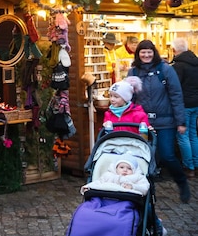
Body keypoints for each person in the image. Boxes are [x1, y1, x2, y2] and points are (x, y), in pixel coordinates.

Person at [129, 39, 190, 203]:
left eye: (149, 51)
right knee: (145, 157)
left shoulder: (166, 70)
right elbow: (130, 98)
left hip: (165, 122)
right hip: (143, 123)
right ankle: (148, 191)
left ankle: (182, 183)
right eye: (143, 52)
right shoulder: (133, 72)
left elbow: (176, 95)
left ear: (154, 52)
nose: (146, 55)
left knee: (167, 155)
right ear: (138, 53)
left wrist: (181, 121)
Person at [171, 37, 198, 178]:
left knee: (183, 136)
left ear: (174, 50)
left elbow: (174, 87)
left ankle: (189, 167)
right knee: (193, 134)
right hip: (195, 103)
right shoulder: (195, 62)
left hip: (183, 105)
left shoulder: (178, 66)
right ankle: (196, 164)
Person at [81, 157, 150, 196]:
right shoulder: (108, 175)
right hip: (104, 196)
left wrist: (133, 187)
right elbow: (98, 182)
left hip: (126, 199)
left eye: (129, 168)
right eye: (121, 167)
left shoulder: (137, 177)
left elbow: (145, 188)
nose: (125, 170)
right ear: (116, 168)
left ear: (134, 170)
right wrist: (88, 187)